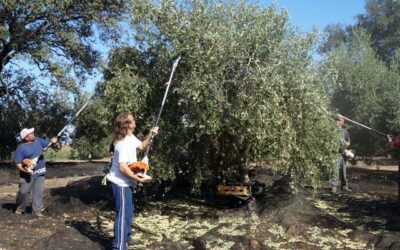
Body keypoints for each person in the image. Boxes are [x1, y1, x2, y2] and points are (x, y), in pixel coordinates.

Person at [106, 112, 158, 250]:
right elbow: (122, 167)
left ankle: (126, 237)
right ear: (126, 125)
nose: (135, 121)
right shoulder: (121, 144)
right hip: (120, 184)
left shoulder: (130, 137)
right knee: (122, 214)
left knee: (129, 211)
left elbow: (142, 146)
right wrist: (138, 179)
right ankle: (119, 246)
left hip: (127, 182)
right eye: (132, 120)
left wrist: (151, 135)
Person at [14, 128, 57, 217]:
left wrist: (53, 142)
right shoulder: (21, 148)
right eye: (31, 133)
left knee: (38, 192)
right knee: (23, 192)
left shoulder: (38, 140)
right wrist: (26, 170)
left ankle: (36, 211)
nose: (33, 133)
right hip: (27, 174)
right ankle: (20, 208)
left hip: (40, 172)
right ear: (26, 138)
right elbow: (18, 163)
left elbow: (49, 144)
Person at [331, 117, 352, 193]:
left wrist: (346, 145)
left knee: (343, 171)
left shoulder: (345, 131)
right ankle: (334, 187)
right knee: (335, 170)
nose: (337, 121)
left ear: (342, 122)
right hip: (334, 153)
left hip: (343, 154)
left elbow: (349, 142)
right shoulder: (332, 131)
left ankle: (344, 186)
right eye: (337, 120)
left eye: (340, 120)